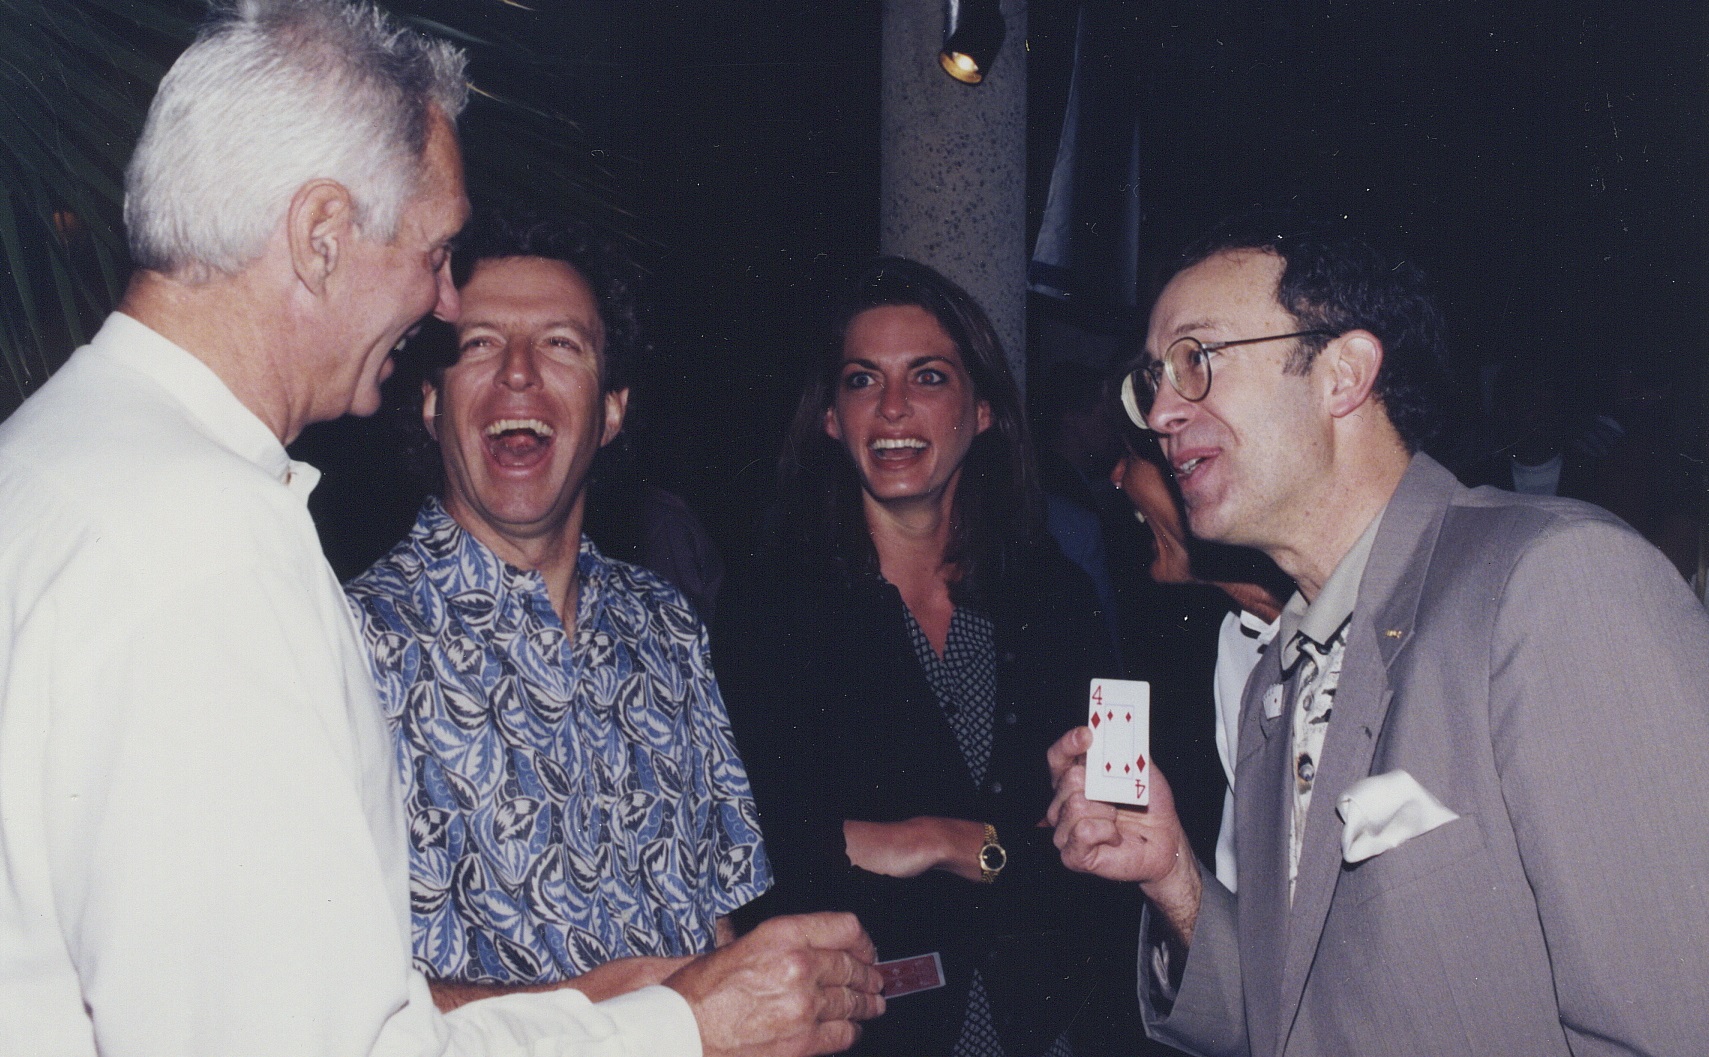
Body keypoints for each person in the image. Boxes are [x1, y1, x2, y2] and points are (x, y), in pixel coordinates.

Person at [0, 4, 881, 1055]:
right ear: (322, 237)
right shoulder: (208, 557)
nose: (443, 298)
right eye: (438, 251)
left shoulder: (58, 460)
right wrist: (674, 1024)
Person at [1048, 212, 1709, 1055]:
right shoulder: (1274, 678)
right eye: (1152, 380)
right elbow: (1293, 1019)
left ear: (1342, 373)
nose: (1160, 413)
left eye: (1195, 361)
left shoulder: (1548, 584)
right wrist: (1174, 878)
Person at [345, 210, 769, 1009]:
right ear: (432, 403)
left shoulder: (666, 626)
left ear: (610, 411)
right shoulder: (356, 644)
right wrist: (598, 1004)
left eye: (561, 344)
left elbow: (718, 932)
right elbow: (330, 1005)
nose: (517, 372)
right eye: (478, 344)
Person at [716, 257, 1128, 1057]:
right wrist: (956, 838)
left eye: (928, 376)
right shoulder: (769, 605)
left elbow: (1111, 820)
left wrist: (924, 840)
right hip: (862, 1028)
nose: (893, 406)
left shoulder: (1057, 595)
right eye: (863, 380)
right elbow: (752, 842)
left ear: (981, 412)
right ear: (831, 417)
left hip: (1042, 1020)